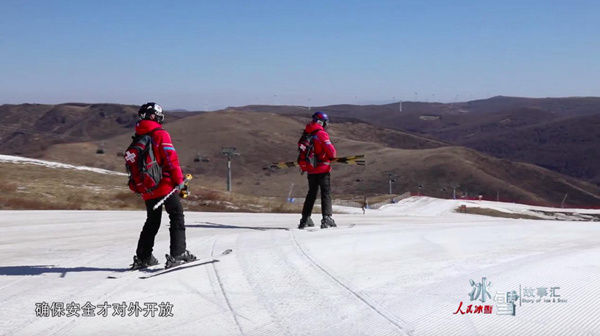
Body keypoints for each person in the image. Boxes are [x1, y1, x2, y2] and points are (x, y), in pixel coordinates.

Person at [131, 102, 196, 269]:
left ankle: (143, 257)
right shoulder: (160, 134)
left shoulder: (138, 136)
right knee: (176, 215)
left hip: (147, 188)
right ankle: (178, 254)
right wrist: (180, 182)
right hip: (164, 185)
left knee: (152, 221)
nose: (161, 119)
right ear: (153, 116)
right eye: (159, 116)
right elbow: (171, 159)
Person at [299, 111, 337, 229]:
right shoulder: (321, 134)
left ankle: (305, 218)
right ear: (322, 122)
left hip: (310, 169)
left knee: (311, 194)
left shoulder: (306, 133)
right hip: (323, 168)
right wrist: (330, 157)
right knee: (326, 193)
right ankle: (327, 218)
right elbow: (332, 152)